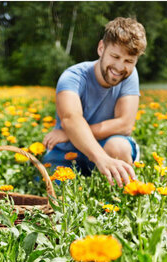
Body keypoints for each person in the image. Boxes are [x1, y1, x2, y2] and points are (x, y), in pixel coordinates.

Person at [42, 17, 147, 187]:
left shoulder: (130, 75)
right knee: (57, 196)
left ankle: (118, 199)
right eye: (115, 56)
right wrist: (101, 158)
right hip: (66, 152)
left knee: (119, 147)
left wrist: (68, 133)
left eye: (129, 61)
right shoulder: (72, 77)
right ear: (101, 48)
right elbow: (71, 119)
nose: (120, 67)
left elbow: (125, 124)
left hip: (105, 146)